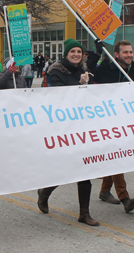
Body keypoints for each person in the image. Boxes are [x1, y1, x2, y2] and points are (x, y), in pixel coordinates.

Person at [37, 39, 99, 226]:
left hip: (82, 125)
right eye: (72, 51)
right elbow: (57, 96)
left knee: (84, 168)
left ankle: (84, 213)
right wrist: (78, 86)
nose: (76, 54)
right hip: (64, 127)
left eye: (79, 51)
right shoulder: (55, 71)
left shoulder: (84, 70)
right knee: (66, 167)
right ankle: (44, 193)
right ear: (66, 53)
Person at [87, 40, 134, 213]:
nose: (129, 55)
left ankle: (105, 191)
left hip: (127, 122)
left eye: (131, 52)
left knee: (116, 157)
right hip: (107, 121)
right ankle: (124, 197)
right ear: (117, 55)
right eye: (125, 52)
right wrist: (97, 53)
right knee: (117, 156)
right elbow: (89, 72)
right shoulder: (106, 69)